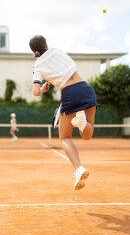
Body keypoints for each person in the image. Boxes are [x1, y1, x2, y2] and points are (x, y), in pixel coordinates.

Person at [29, 35, 99, 190]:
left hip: (69, 93)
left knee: (65, 137)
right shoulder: (57, 51)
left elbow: (35, 92)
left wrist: (42, 89)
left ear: (34, 51)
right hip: (86, 88)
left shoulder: (37, 66)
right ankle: (82, 123)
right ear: (46, 44)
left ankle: (79, 169)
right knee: (87, 134)